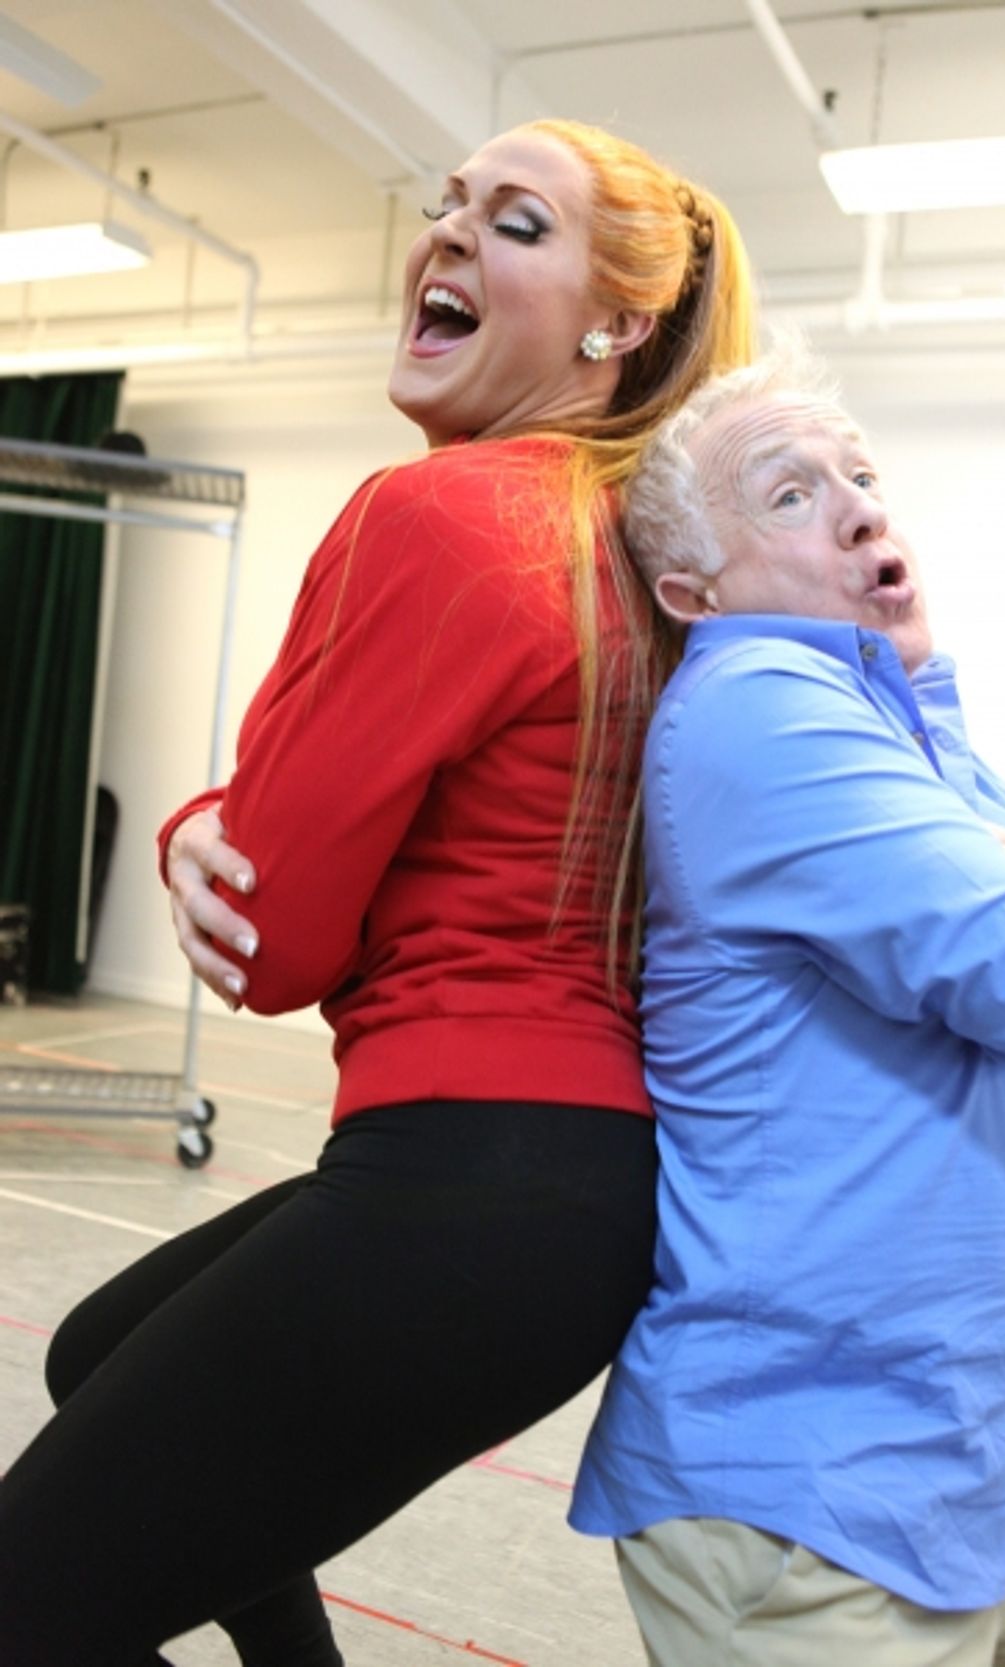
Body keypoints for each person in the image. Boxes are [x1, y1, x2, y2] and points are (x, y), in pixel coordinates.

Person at [0, 120, 757, 1666]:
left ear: (616, 323)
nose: (451, 235)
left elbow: (271, 950)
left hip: (464, 1181)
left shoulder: (444, 516)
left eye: (518, 223)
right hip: (589, 1202)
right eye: (447, 205)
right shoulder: (645, 559)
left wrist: (203, 822)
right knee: (102, 1354)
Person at [569, 346, 1005, 1667]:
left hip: (988, 1472)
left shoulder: (905, 724)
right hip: (814, 1497)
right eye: (790, 496)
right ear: (694, 594)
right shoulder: (762, 708)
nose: (858, 510)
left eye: (860, 476)